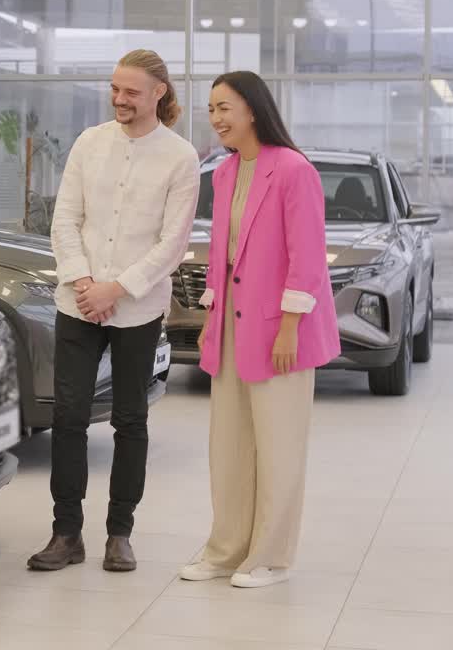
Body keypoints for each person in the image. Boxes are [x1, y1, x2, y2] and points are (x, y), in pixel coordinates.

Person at [29, 50, 200, 573]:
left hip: (138, 308)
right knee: (68, 417)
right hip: (78, 302)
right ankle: (66, 533)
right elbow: (65, 220)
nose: (119, 99)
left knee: (130, 420)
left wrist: (116, 289)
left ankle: (119, 534)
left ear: (159, 93)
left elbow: (172, 243)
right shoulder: (90, 142)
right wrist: (85, 282)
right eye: (115, 89)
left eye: (131, 91)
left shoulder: (180, 157)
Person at [180, 71, 340, 589]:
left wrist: (290, 327)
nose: (216, 118)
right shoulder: (225, 172)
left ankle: (269, 557)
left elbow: (307, 257)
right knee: (228, 446)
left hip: (279, 330)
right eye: (211, 109)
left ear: (253, 109)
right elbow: (221, 256)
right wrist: (210, 319)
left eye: (224, 107)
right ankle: (225, 551)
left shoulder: (293, 169)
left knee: (278, 447)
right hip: (231, 325)